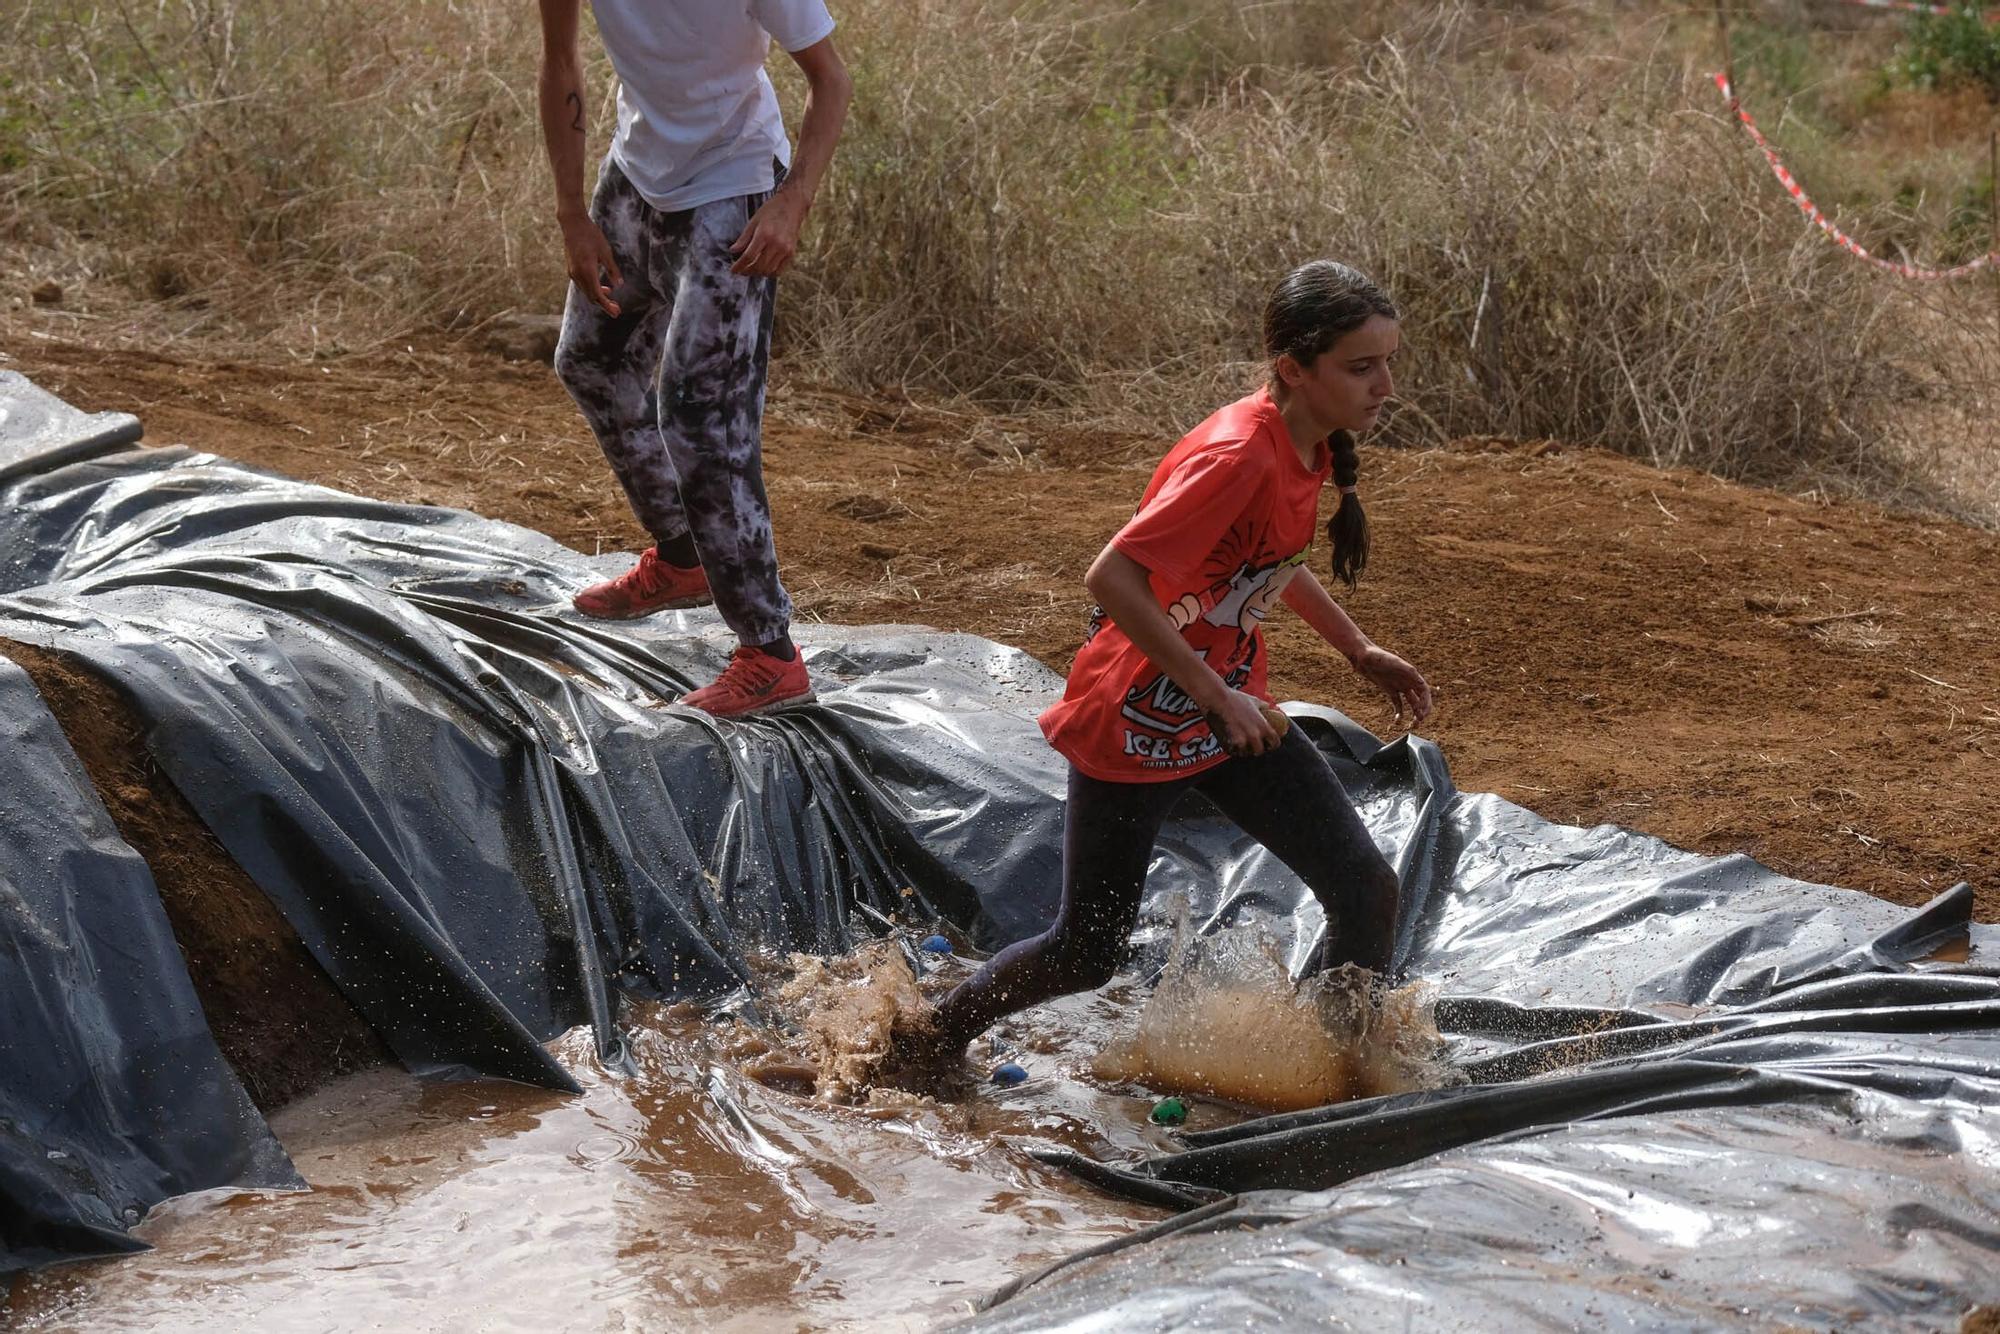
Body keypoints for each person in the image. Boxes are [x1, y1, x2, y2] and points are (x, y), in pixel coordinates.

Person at [914, 260, 1434, 1063]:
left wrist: (1356, 648)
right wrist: (1215, 697)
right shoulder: (1236, 457)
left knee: (1366, 887)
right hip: (1138, 718)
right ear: (1293, 371)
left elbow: (1270, 558)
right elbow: (1112, 577)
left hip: (1226, 712)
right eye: (1362, 367)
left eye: (1389, 362)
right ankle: (916, 1047)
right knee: (1084, 949)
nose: (1386, 386)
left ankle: (1336, 1071)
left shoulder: (1308, 445)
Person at [537, 0, 851, 715]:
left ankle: (770, 654)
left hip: (731, 188)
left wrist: (791, 202)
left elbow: (830, 79)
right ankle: (683, 559)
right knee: (591, 362)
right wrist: (571, 216)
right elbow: (560, 62)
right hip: (635, 176)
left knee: (702, 423)